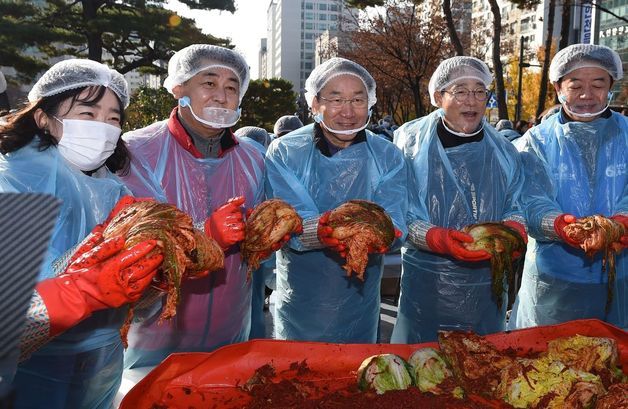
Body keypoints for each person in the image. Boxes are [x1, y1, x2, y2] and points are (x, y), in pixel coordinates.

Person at [0, 59, 163, 408]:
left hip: (101, 359)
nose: (102, 127)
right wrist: (76, 290)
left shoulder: (114, 192)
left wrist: (161, 274)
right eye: (88, 114)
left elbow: (131, 297)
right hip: (26, 370)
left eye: (113, 118)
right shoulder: (11, 181)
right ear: (43, 117)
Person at [120, 44, 266, 368]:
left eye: (232, 87)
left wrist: (264, 237)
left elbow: (259, 230)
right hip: (153, 341)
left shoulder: (253, 158)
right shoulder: (137, 152)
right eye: (209, 83)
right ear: (178, 87)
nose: (221, 96)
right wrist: (202, 238)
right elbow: (125, 247)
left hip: (229, 334)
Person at [265, 57, 408, 343]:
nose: (348, 111)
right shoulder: (286, 152)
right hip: (301, 299)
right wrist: (322, 231)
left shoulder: (387, 155)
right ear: (315, 104)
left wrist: (382, 233)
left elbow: (393, 221)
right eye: (336, 99)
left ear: (370, 103)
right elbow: (287, 219)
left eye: (358, 99)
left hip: (360, 303)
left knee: (355, 375)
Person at [392, 56, 527, 343]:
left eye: (479, 91)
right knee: (422, 370)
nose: (472, 101)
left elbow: (516, 204)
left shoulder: (504, 151)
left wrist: (514, 230)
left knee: (480, 368)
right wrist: (433, 237)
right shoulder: (410, 144)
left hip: (486, 291)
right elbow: (397, 207)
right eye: (461, 91)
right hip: (426, 286)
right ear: (439, 96)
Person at [509, 44, 627, 330]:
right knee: (547, 364)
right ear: (557, 87)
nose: (587, 95)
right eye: (576, 85)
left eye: (598, 84)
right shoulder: (535, 142)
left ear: (611, 85)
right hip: (553, 283)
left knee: (612, 364)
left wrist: (622, 223)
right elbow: (530, 200)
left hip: (621, 278)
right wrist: (560, 225)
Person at [233, 125, 275, 339]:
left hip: (230, 248)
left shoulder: (239, 156)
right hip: (256, 253)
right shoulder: (263, 160)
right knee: (253, 308)